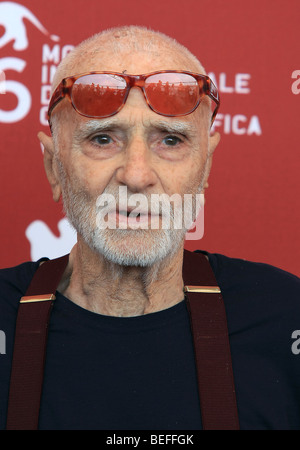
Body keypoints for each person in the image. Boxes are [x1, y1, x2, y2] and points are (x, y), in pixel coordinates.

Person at [1, 25, 300, 431]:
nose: (137, 175)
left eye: (171, 141)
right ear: (54, 166)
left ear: (206, 165)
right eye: (103, 139)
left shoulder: (285, 316)